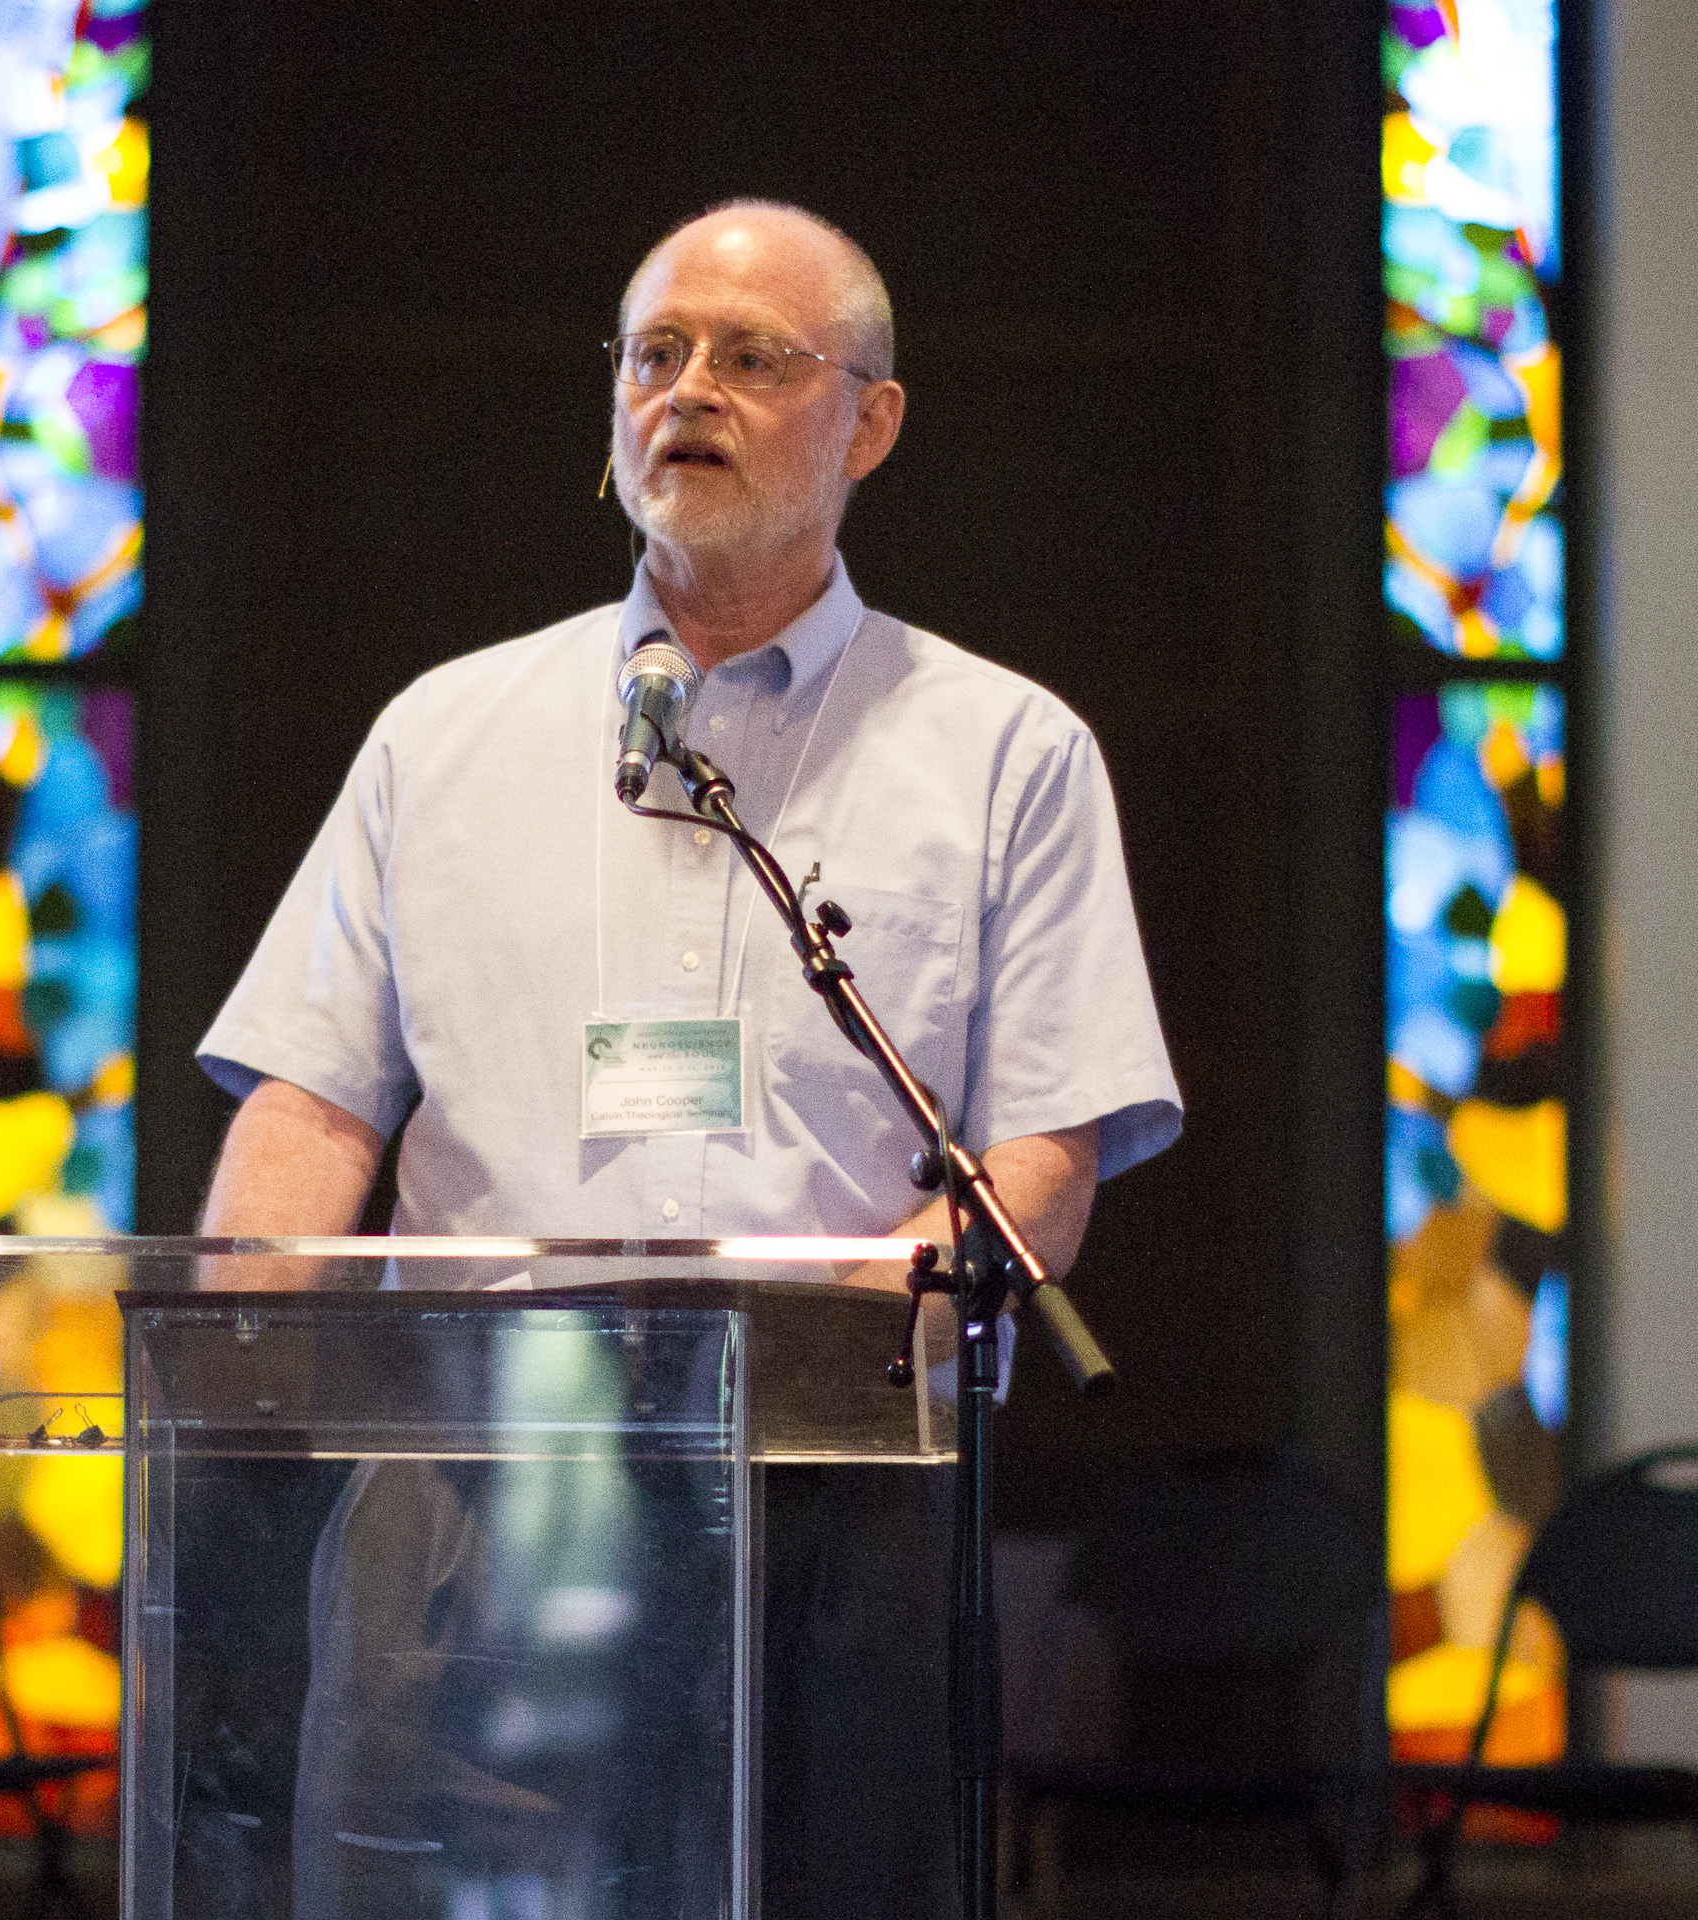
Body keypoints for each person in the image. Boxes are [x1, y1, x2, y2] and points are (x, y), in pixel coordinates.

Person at [189, 200, 1185, 1916]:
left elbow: (1042, 1155)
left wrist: (873, 1306)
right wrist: (231, 1360)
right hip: (470, 1487)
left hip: (834, 1496)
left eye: (752, 358)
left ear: (868, 419)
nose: (689, 392)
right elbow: (309, 1095)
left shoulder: (1007, 749)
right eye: (655, 355)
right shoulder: (445, 734)